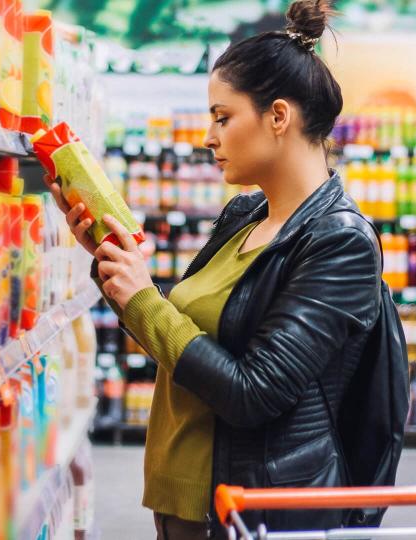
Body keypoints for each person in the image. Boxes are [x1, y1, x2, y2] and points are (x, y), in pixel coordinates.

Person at [48, 0, 386, 537]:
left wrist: (144, 298)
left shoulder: (339, 242)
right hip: (185, 503)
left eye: (222, 118)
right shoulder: (243, 217)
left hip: (249, 513)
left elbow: (254, 392)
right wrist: (113, 260)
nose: (209, 137)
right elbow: (180, 338)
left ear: (279, 117)